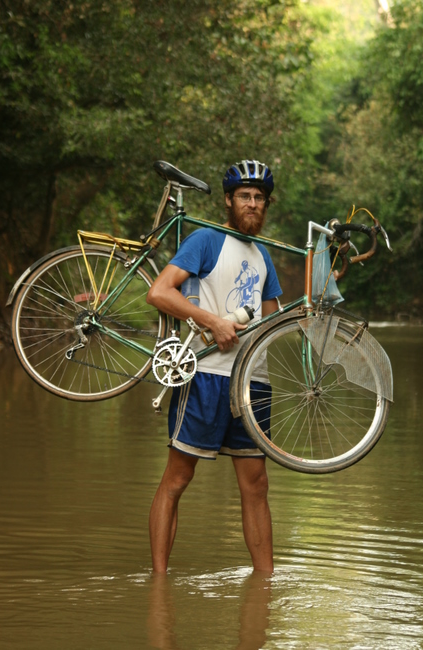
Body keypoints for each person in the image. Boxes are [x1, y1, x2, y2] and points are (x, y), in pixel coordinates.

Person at [146, 160, 283, 574]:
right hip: (206, 376)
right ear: (228, 200)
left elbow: (275, 321)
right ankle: (158, 585)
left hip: (252, 382)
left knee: (257, 485)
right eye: (245, 196)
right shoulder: (206, 240)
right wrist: (214, 321)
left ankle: (265, 584)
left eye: (260, 198)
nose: (253, 204)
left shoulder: (264, 257)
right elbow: (160, 292)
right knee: (177, 479)